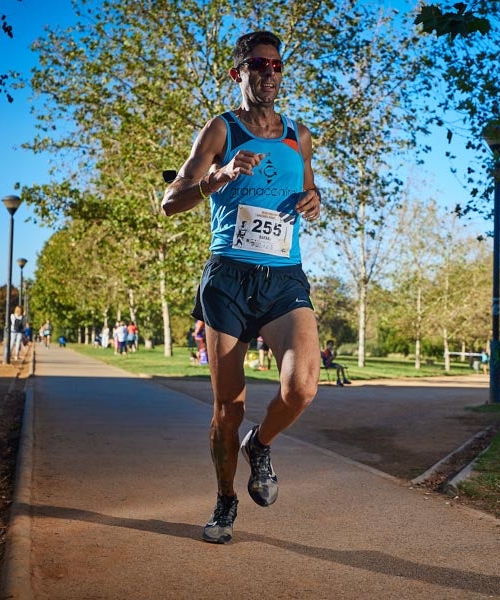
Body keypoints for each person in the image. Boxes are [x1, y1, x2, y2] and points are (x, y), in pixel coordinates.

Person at [162, 30, 322, 545]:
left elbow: (309, 188)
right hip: (228, 277)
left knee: (302, 387)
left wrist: (314, 201)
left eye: (277, 65)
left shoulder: (299, 134)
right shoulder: (220, 129)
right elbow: (170, 201)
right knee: (228, 407)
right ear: (239, 72)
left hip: (284, 277)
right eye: (259, 64)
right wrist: (218, 177)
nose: (269, 73)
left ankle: (261, 442)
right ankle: (225, 499)